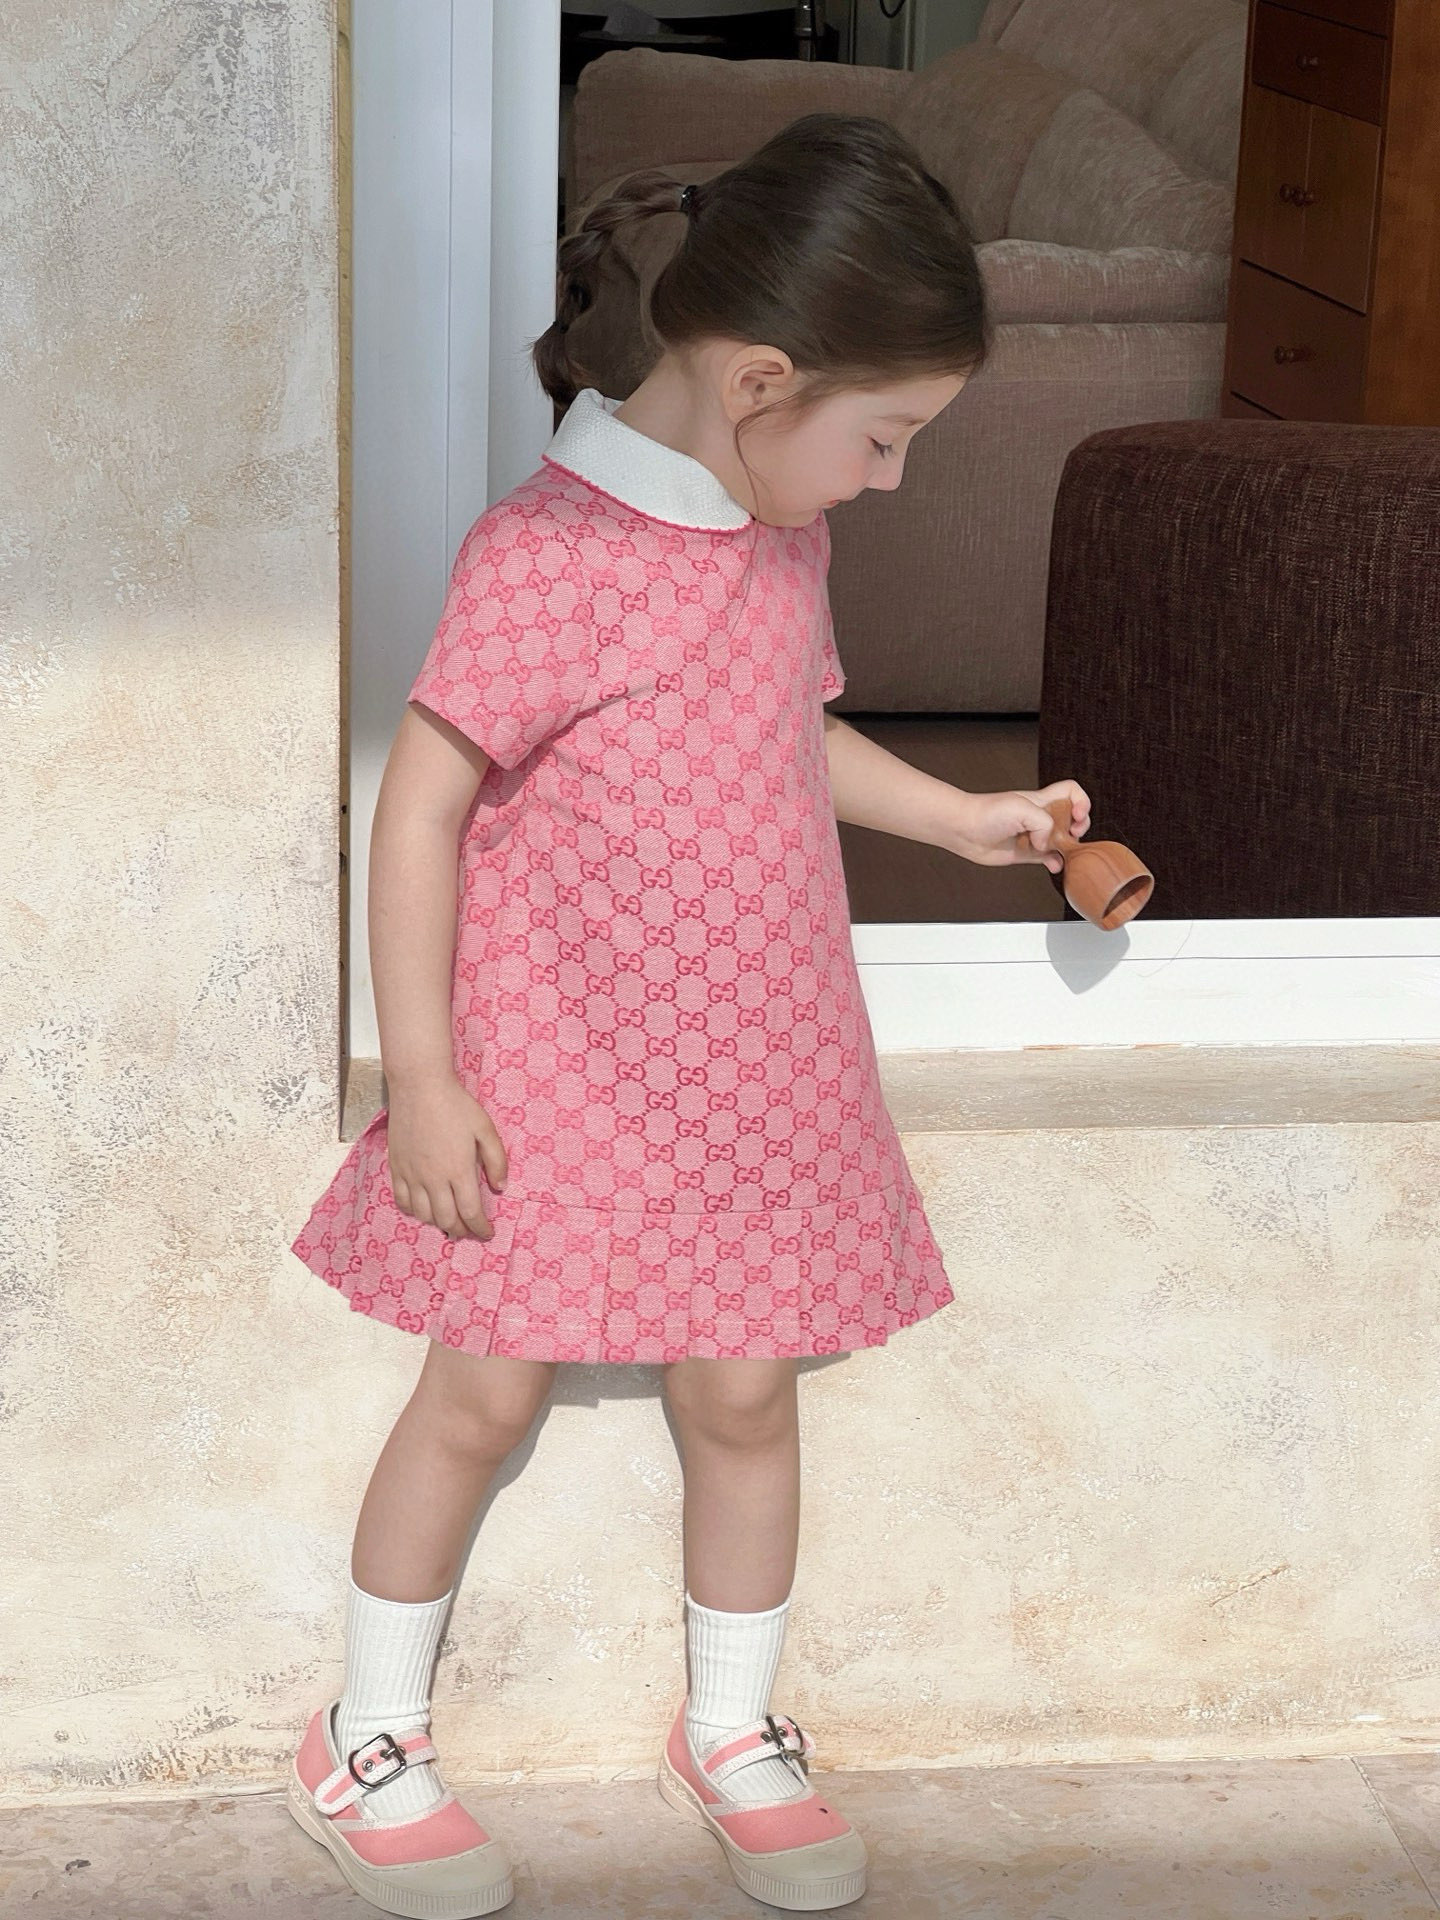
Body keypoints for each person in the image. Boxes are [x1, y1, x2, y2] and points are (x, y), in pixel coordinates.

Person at [285, 111, 1090, 1917]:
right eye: (883, 438)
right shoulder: (545, 558)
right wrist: (425, 1071)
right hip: (558, 1067)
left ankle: (731, 1727)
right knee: (481, 1391)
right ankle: (367, 1731)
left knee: (743, 1391)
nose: (890, 480)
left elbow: (784, 728)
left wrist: (963, 818)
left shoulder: (775, 534)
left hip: (757, 1061)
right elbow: (419, 806)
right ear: (757, 382)